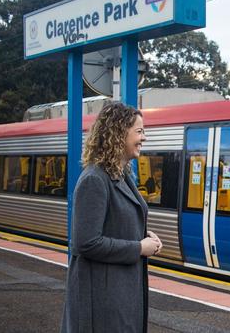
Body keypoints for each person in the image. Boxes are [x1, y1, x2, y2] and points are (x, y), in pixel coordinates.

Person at [61, 102, 163, 333]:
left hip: (118, 294)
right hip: (102, 301)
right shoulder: (94, 180)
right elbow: (86, 242)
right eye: (139, 131)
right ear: (118, 134)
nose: (144, 138)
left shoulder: (122, 175)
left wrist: (145, 237)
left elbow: (113, 223)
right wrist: (138, 247)